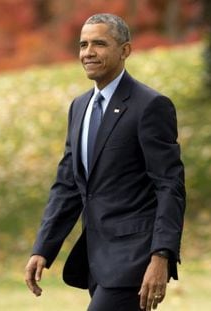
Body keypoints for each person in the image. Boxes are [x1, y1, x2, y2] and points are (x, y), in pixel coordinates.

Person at [24, 13, 186, 311]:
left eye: (99, 43)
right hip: (96, 261)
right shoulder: (79, 107)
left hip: (134, 258)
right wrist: (43, 248)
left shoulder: (150, 106)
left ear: (125, 50)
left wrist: (161, 256)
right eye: (83, 44)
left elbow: (169, 186)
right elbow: (68, 185)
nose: (88, 52)